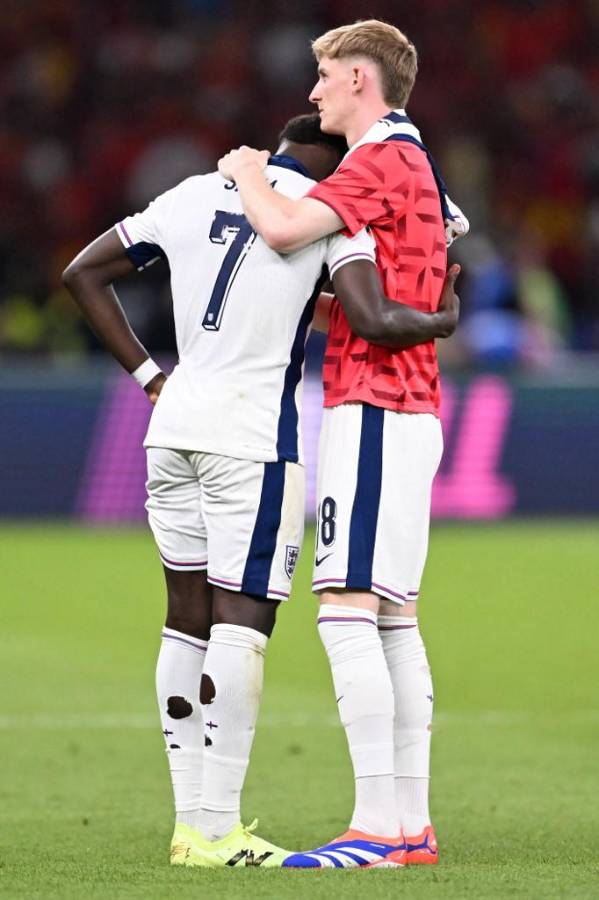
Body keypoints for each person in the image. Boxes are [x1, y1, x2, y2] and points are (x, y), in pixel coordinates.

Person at [63, 113, 460, 869]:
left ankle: (189, 826)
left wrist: (150, 377)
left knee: (183, 619)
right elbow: (373, 316)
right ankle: (217, 828)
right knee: (240, 622)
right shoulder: (324, 218)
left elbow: (81, 272)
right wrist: (442, 312)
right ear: (333, 162)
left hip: (171, 427)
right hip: (251, 442)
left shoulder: (189, 193)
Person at [218, 20, 469, 869]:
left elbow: (285, 231)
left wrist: (249, 170)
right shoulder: (417, 161)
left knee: (346, 612)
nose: (314, 91)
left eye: (325, 75)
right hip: (411, 408)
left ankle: (371, 827)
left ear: (361, 78)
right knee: (392, 616)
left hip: (374, 404)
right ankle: (409, 826)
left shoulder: (381, 157)